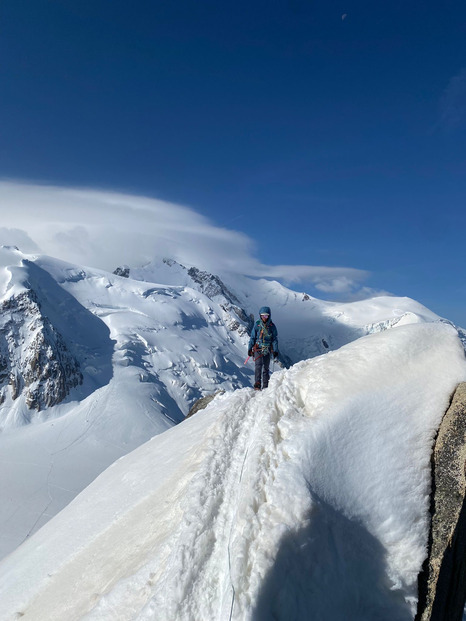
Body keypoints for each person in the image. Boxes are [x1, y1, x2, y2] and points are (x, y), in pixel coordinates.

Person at [248, 306, 278, 390]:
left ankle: (265, 385)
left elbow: (275, 339)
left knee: (265, 368)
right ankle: (257, 383)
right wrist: (250, 348)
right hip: (258, 348)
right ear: (260, 316)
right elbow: (253, 337)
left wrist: (275, 350)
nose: (264, 318)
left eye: (266, 316)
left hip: (267, 349)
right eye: (262, 316)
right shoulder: (257, 325)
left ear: (269, 316)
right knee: (258, 365)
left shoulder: (272, 326)